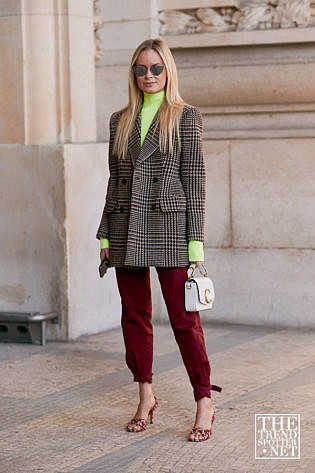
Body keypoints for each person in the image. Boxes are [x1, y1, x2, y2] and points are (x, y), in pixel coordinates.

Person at [97, 38, 221, 442]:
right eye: (140, 69)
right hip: (125, 225)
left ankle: (204, 400)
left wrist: (195, 244)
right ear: (132, 73)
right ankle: (145, 395)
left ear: (168, 71)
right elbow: (115, 181)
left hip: (169, 227)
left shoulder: (186, 117)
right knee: (134, 316)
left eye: (156, 69)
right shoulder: (120, 120)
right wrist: (103, 233)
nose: (148, 76)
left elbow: (195, 182)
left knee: (185, 320)